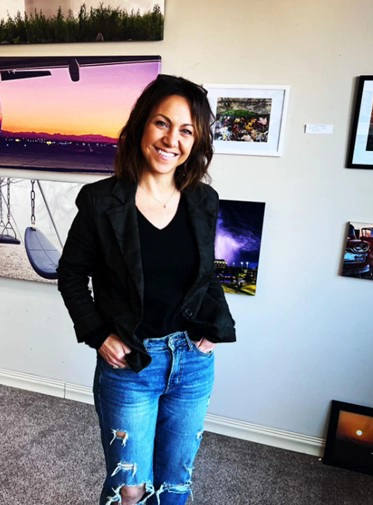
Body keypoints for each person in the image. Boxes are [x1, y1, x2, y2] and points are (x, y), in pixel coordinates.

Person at [57, 74, 236, 505]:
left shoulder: (202, 200)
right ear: (141, 125)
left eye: (187, 130)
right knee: (130, 490)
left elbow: (205, 275)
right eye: (162, 123)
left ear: (196, 141)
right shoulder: (101, 202)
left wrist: (215, 330)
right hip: (131, 368)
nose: (171, 139)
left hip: (192, 363)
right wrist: (99, 335)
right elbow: (70, 276)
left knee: (176, 484)